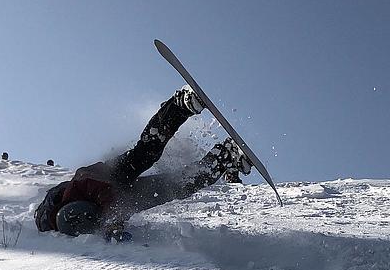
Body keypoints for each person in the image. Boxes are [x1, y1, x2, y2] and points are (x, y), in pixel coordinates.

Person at [34, 85, 252, 240]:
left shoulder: (71, 193)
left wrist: (112, 218)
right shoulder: (81, 225)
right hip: (125, 199)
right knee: (181, 187)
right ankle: (226, 155)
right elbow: (105, 220)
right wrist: (113, 230)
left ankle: (179, 105)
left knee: (146, 153)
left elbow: (98, 189)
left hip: (110, 176)